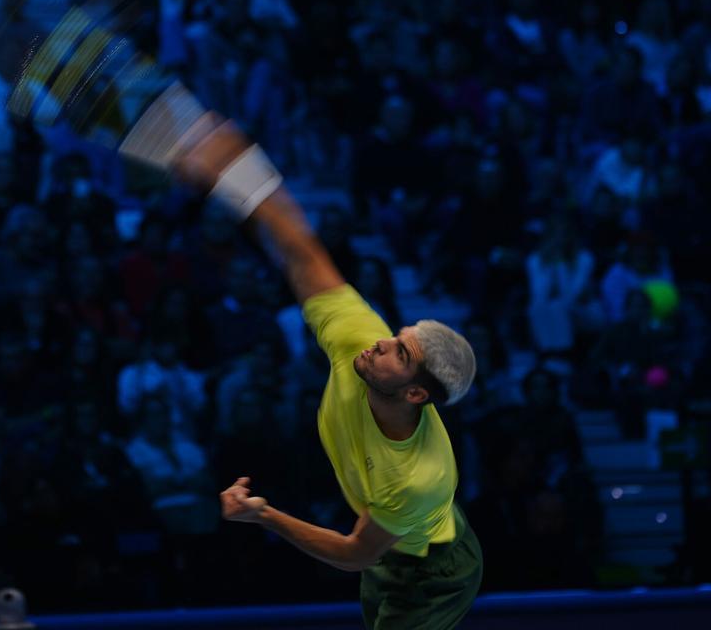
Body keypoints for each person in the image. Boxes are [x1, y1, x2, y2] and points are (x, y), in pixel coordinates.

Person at [169, 112, 482, 630]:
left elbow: (355, 552)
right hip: (391, 543)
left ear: (415, 396)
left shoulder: (419, 476)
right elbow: (301, 252)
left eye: (399, 355)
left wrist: (264, 515)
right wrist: (242, 176)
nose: (381, 344)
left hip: (434, 571)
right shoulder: (359, 343)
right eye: (395, 337)